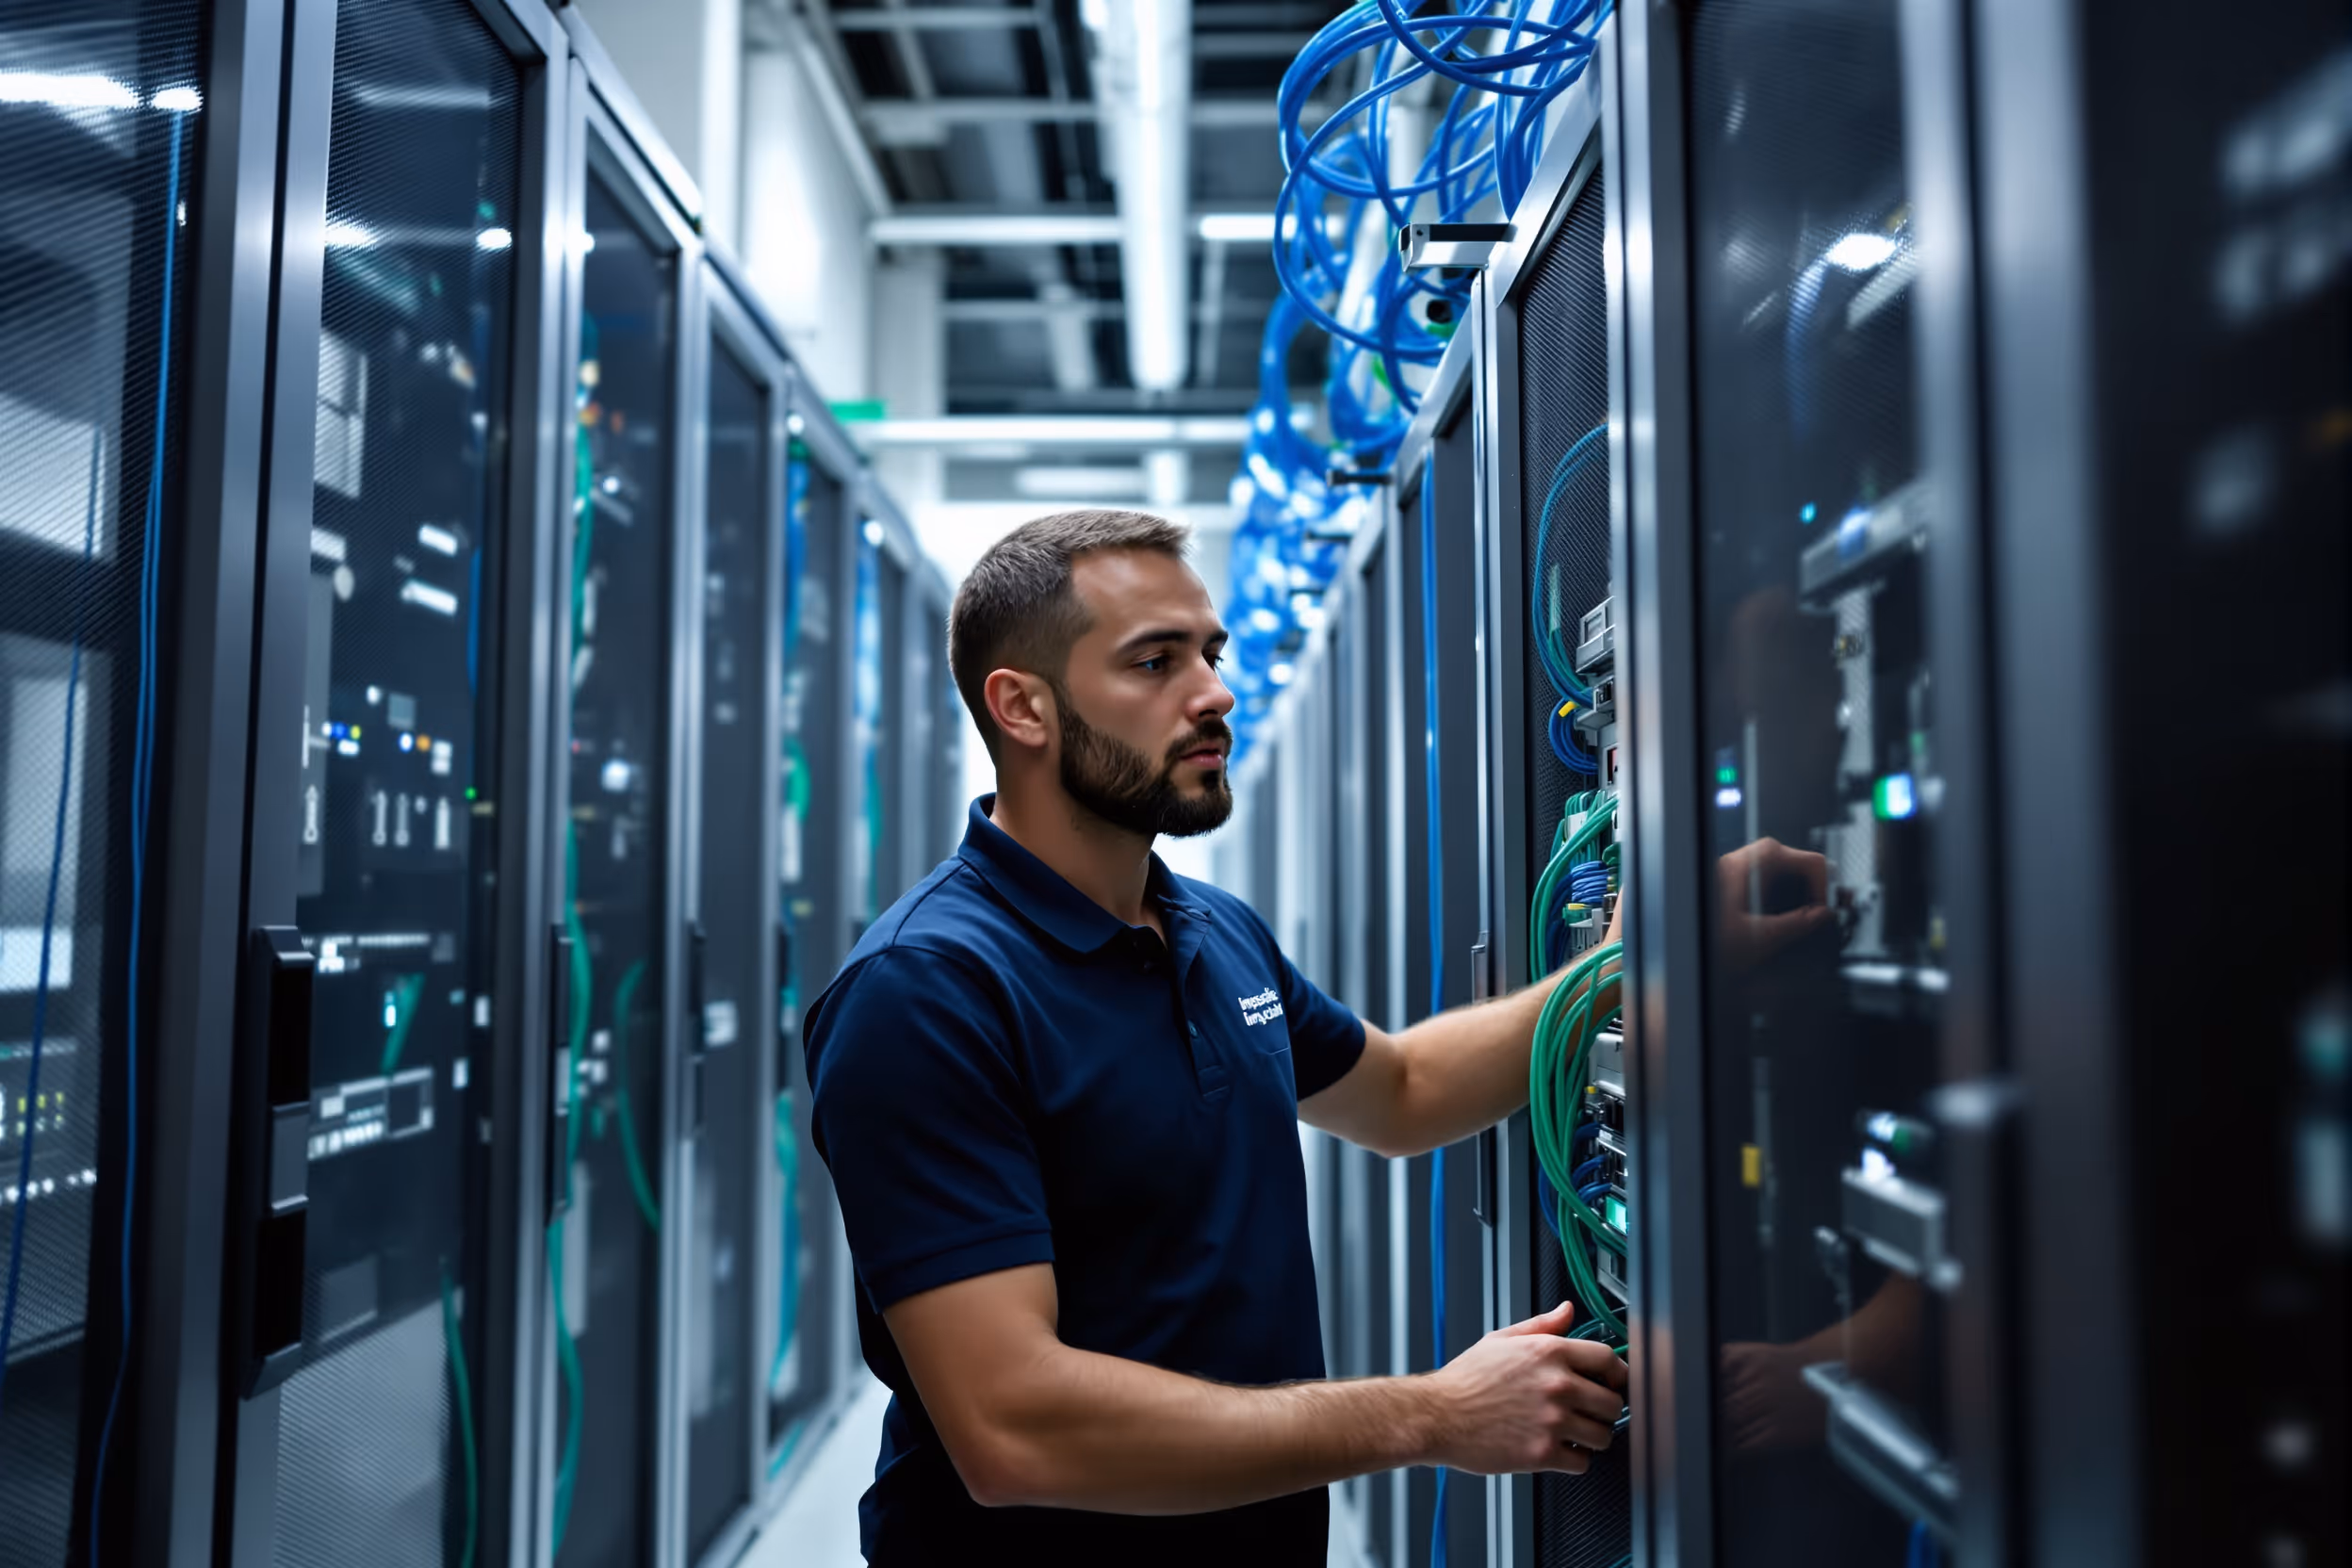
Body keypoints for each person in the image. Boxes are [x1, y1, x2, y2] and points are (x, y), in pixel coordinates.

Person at [804, 510, 1628, 1563]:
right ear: (1023, 706)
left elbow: (1406, 1089)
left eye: (1211, 653)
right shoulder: (925, 990)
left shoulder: (1208, 926)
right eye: (1154, 661)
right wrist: (1432, 1412)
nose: (1215, 693)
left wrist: (1618, 970)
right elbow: (1014, 1425)